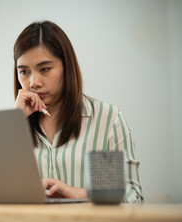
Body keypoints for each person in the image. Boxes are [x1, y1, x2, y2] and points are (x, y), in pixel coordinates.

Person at [13, 20, 143, 203]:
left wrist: (80, 193)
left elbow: (133, 197)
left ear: (67, 67)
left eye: (44, 69)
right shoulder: (15, 127)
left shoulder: (105, 120)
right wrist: (13, 122)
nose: (33, 82)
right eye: (24, 72)